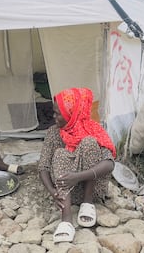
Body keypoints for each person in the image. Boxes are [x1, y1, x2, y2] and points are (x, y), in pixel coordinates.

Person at [38, 87, 116, 243]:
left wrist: (78, 177)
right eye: (54, 112)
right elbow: (43, 167)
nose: (54, 117)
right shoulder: (53, 133)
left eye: (58, 113)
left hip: (93, 190)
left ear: (71, 113)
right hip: (65, 193)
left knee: (89, 142)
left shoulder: (92, 129)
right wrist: (53, 192)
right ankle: (66, 219)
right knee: (60, 154)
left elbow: (109, 164)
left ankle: (87, 204)